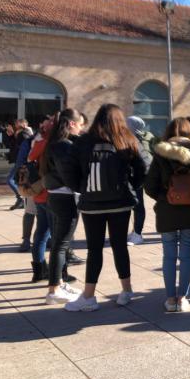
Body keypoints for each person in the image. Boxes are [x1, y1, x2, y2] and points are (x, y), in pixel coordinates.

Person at [63, 104, 147, 312]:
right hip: (121, 203)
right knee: (120, 246)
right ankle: (126, 291)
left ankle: (89, 296)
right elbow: (143, 168)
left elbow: (68, 170)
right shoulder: (127, 140)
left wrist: (82, 188)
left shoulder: (83, 142)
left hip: (92, 205)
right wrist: (129, 187)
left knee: (94, 249)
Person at [144, 117, 190, 312]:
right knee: (187, 254)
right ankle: (183, 298)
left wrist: (165, 196)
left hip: (166, 211)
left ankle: (170, 299)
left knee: (169, 255)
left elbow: (150, 186)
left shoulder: (160, 154)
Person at [40, 109, 84, 305]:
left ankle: (57, 283)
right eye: (81, 124)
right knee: (61, 245)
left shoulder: (54, 143)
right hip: (65, 198)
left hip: (56, 196)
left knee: (59, 243)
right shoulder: (63, 146)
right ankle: (54, 290)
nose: (82, 128)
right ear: (72, 124)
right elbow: (70, 176)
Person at [27, 115, 54, 282]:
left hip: (39, 193)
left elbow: (30, 158)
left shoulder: (38, 143)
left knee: (41, 234)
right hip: (52, 195)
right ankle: (59, 274)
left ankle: (38, 271)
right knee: (58, 238)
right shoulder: (55, 145)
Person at [126, 116, 155, 246]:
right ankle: (135, 232)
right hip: (141, 174)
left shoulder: (138, 137)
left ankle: (137, 234)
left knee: (137, 205)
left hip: (140, 176)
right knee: (136, 204)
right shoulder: (147, 135)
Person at [5, 119, 33, 210]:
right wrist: (12, 136)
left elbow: (24, 149)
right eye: (16, 123)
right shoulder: (20, 134)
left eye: (18, 123)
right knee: (18, 181)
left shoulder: (24, 134)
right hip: (20, 162)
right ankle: (21, 199)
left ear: (24, 124)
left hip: (21, 162)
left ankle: (21, 199)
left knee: (10, 180)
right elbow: (13, 146)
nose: (16, 125)